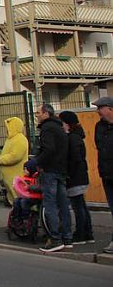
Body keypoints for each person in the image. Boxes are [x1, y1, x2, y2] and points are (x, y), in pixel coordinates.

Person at [35, 103, 72, 252]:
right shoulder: (60, 128)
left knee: (49, 204)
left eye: (38, 113)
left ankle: (55, 239)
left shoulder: (47, 128)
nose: (36, 116)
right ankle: (67, 238)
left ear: (45, 114)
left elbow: (48, 149)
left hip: (50, 170)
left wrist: (36, 162)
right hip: (61, 170)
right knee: (63, 205)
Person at [59, 111, 94, 245]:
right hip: (79, 175)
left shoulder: (72, 138)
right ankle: (87, 233)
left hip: (75, 177)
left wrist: (68, 174)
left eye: (62, 122)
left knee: (78, 206)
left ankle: (81, 234)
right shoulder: (76, 136)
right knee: (81, 205)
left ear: (67, 124)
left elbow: (74, 159)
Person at [93, 97, 113, 254]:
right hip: (107, 174)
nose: (98, 111)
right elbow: (99, 146)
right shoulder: (99, 127)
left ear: (110, 109)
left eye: (100, 107)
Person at [0, 117, 29, 205]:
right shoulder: (10, 139)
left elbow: (15, 156)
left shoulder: (20, 139)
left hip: (16, 175)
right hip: (10, 177)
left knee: (19, 198)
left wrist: (0, 160)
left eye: (8, 126)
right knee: (14, 200)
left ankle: (22, 216)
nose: (6, 128)